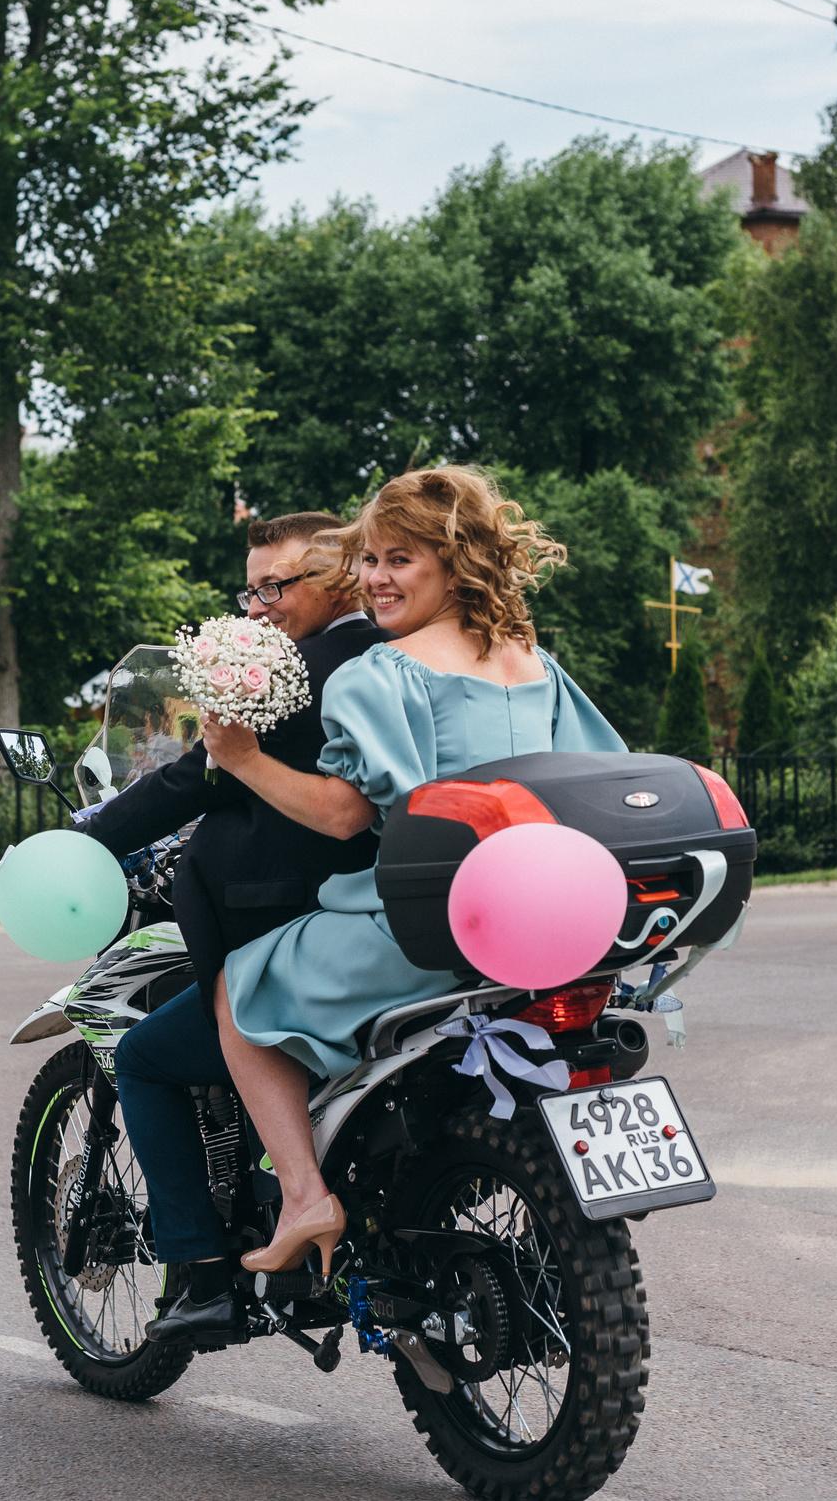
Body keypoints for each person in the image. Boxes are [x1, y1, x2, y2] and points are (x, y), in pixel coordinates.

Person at [198, 467, 625, 1284]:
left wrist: (241, 758)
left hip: (426, 931)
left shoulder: (381, 673)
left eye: (401, 558)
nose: (375, 578)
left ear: (455, 562)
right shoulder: (535, 664)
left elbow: (344, 815)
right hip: (540, 927)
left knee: (235, 989)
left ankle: (303, 1197)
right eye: (367, 559)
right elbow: (592, 777)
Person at [80, 513, 392, 1347]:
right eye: (250, 589)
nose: (259, 606)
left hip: (293, 929)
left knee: (144, 1057)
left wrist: (86, 836)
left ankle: (205, 1274)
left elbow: (201, 774)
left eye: (277, 585)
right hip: (388, 918)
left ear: (339, 577)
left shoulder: (313, 663)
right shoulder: (399, 653)